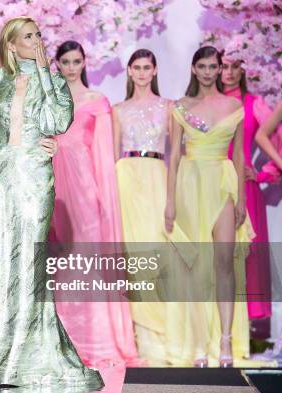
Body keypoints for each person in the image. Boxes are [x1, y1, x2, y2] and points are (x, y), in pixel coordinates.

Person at [0, 17, 103, 387]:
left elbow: (59, 119)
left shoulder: (55, 81)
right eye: (28, 37)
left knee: (30, 261)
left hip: (34, 174)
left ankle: (29, 355)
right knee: (1, 261)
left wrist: (47, 71)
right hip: (0, 174)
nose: (36, 41)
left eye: (38, 35)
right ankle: (3, 357)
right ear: (12, 45)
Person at [50, 40, 138, 367]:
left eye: (76, 61)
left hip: (85, 188)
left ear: (84, 62)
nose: (71, 67)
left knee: (85, 262)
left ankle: (95, 341)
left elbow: (103, 154)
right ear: (57, 64)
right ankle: (61, 342)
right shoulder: (49, 100)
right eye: (66, 62)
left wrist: (102, 197)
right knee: (59, 264)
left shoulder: (97, 102)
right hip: (53, 188)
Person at [165, 46, 252, 367]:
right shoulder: (180, 107)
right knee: (196, 267)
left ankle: (225, 340)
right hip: (190, 185)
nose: (206, 71)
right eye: (201, 66)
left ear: (219, 69)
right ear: (193, 68)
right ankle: (200, 342)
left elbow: (240, 155)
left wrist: (242, 198)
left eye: (212, 66)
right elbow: (173, 156)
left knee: (224, 263)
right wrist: (170, 201)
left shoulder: (233, 105)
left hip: (221, 181)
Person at [113, 49, 174, 366]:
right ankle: (138, 338)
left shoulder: (168, 107)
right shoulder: (118, 110)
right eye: (136, 67)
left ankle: (162, 335)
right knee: (132, 257)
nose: (141, 72)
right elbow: (112, 157)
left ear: (154, 70)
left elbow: (177, 155)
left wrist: (173, 197)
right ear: (129, 71)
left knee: (157, 254)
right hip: (127, 178)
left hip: (156, 177)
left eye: (146, 67)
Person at [221, 57, 282, 334]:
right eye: (224, 66)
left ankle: (245, 331)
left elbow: (279, 137)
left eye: (236, 66)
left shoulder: (253, 103)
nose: (230, 72)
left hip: (244, 189)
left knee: (247, 254)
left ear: (245, 70)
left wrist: (263, 173)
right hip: (211, 186)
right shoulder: (203, 103)